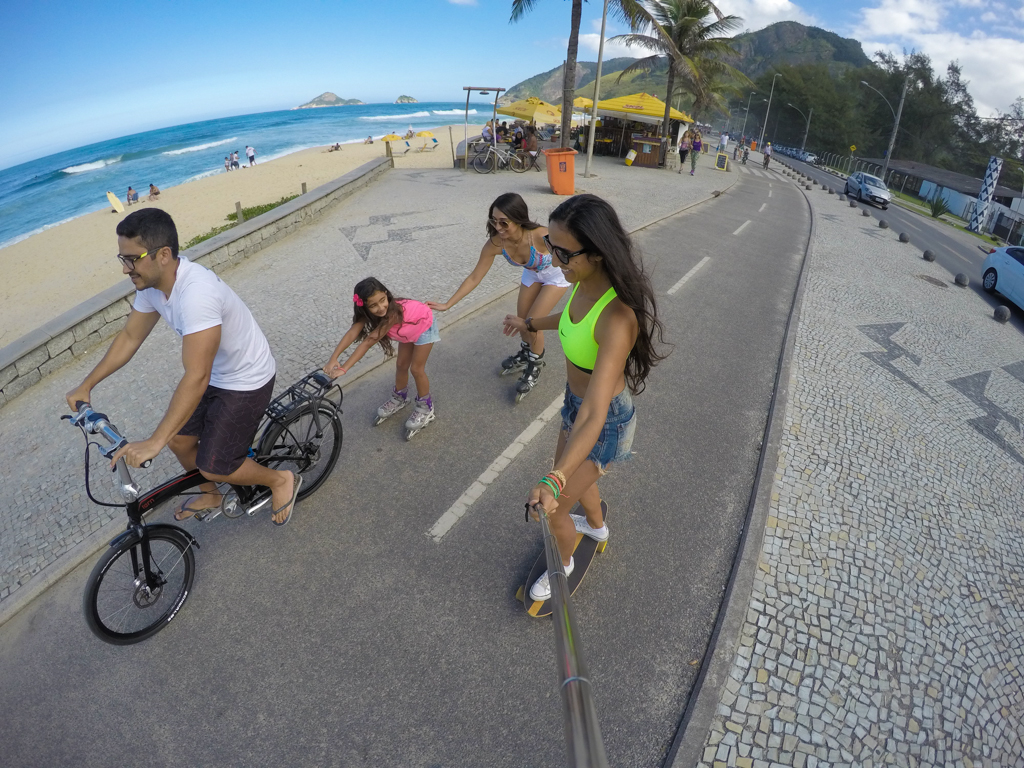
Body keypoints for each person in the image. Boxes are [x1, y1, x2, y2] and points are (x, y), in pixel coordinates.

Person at [64, 208, 300, 525]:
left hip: (247, 378)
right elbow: (131, 337)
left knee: (216, 463)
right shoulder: (152, 287)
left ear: (163, 254)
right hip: (216, 374)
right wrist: (86, 385)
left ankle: (279, 480)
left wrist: (154, 442)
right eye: (122, 259)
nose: (125, 269)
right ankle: (212, 494)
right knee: (180, 439)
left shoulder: (196, 294)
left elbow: (197, 375)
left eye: (131, 259)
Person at [501, 194, 665, 601]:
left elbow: (595, 410)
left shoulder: (618, 317)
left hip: (602, 419)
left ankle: (564, 563)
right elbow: (571, 318)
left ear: (596, 253)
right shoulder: (581, 284)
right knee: (569, 480)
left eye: (563, 253)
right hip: (577, 406)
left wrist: (554, 481)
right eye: (551, 248)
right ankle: (597, 526)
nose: (554, 262)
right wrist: (530, 322)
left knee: (554, 504)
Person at [427, 193, 569, 398]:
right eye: (494, 221)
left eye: (504, 223)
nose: (498, 228)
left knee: (531, 323)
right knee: (521, 321)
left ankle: (535, 365)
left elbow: (569, 249)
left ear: (519, 219)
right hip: (532, 273)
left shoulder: (541, 235)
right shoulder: (496, 244)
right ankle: (526, 351)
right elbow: (475, 277)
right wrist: (448, 304)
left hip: (555, 275)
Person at [323, 277, 439, 432]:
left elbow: (369, 341)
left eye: (382, 300)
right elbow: (352, 333)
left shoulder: (391, 313)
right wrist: (334, 358)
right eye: (373, 305)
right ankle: (400, 397)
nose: (380, 307)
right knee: (401, 365)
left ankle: (426, 407)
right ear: (364, 306)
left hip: (423, 325)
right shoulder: (369, 313)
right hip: (406, 331)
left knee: (417, 369)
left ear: (386, 294)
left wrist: (344, 368)